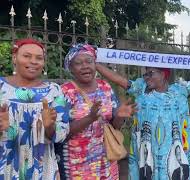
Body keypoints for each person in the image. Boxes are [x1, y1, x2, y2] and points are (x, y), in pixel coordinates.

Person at [95, 63, 190, 180]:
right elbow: (117, 79)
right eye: (145, 74)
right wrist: (94, 63)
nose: (146, 77)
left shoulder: (180, 90)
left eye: (151, 73)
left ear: (164, 74)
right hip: (147, 152)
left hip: (173, 153)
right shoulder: (140, 89)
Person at [55, 44, 136, 179]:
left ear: (95, 65)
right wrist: (89, 118)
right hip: (75, 164)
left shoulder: (105, 87)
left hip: (106, 159)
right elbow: (59, 134)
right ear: (71, 68)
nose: (85, 66)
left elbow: (114, 126)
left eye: (89, 61)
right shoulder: (64, 92)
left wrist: (120, 116)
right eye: (78, 63)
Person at [0, 38, 70, 179]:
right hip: (5, 165)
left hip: (42, 168)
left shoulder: (54, 91)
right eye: (26, 56)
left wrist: (49, 127)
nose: (33, 61)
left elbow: (61, 134)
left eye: (39, 58)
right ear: (14, 58)